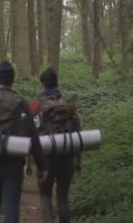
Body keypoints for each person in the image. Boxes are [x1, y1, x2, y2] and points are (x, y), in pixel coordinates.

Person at [0, 61, 47, 223]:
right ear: (12, 80)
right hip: (14, 163)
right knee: (11, 206)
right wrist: (41, 166)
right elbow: (33, 136)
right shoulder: (21, 103)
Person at [29, 67, 82, 223]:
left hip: (45, 159)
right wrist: (78, 162)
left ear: (43, 84)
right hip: (66, 156)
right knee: (63, 197)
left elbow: (31, 134)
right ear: (56, 83)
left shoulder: (36, 106)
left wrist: (29, 163)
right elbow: (78, 133)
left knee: (45, 196)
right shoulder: (69, 105)